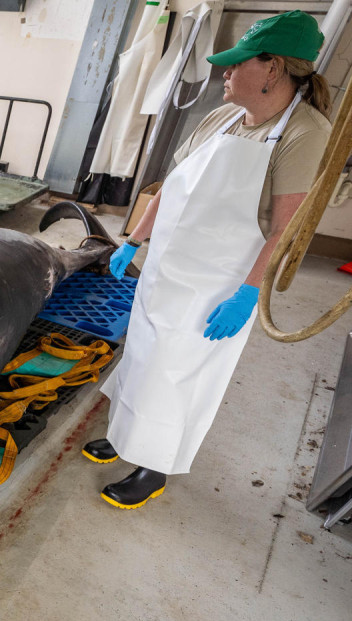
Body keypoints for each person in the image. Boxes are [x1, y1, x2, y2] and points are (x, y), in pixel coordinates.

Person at [85, 10, 332, 509]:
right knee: (142, 357)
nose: (226, 72)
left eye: (237, 62)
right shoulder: (222, 117)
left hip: (218, 284)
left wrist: (249, 293)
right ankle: (125, 435)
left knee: (177, 374)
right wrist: (134, 241)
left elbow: (285, 228)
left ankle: (154, 466)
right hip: (168, 267)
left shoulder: (305, 132)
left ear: (273, 69)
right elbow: (168, 189)